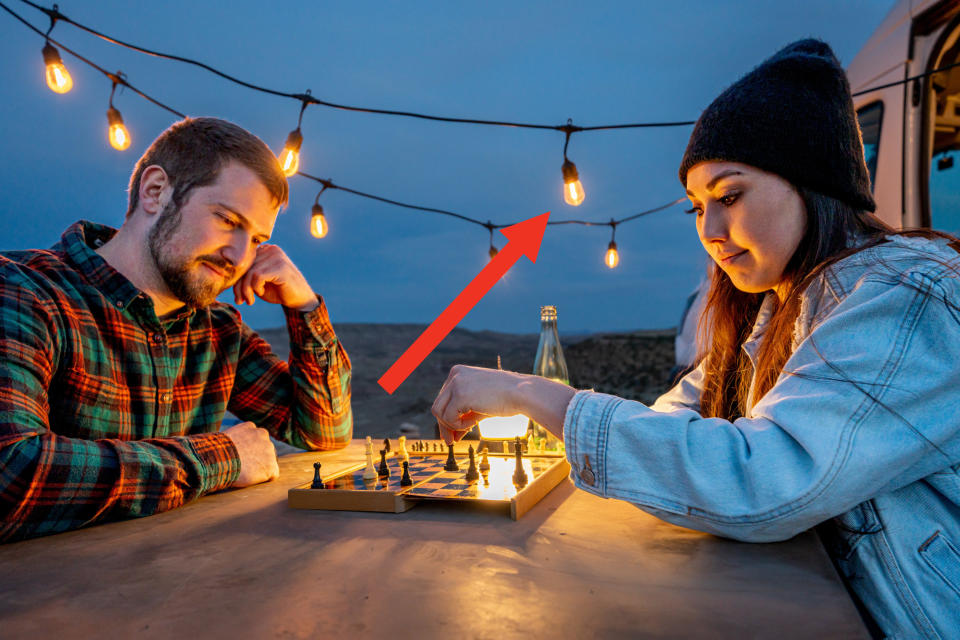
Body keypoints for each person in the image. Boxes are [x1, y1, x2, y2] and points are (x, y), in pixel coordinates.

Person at [432, 40, 960, 639]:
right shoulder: (777, 310)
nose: (710, 231)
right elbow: (677, 417)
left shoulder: (904, 299)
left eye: (729, 196)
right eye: (696, 208)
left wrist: (530, 393)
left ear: (814, 183)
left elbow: (762, 480)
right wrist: (588, 432)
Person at [0, 117, 352, 542]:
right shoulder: (24, 294)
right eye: (227, 220)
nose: (238, 255)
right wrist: (219, 458)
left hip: (178, 595)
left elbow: (324, 430)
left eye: (257, 239)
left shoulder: (219, 331)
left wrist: (305, 305)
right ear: (155, 192)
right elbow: (11, 472)